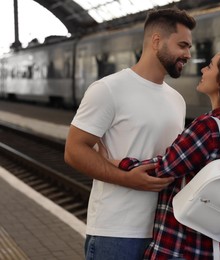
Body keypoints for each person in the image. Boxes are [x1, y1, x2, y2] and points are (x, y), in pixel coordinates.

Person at [64, 7, 196, 260]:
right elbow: (74, 151)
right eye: (182, 45)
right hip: (116, 233)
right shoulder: (108, 89)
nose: (188, 54)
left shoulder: (177, 100)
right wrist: (128, 180)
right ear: (156, 41)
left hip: (164, 232)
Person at [114, 48, 220, 259]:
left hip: (180, 248)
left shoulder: (208, 126)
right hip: (214, 249)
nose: (203, 68)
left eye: (210, 65)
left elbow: (164, 168)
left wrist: (119, 162)